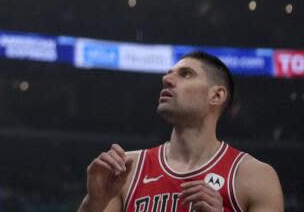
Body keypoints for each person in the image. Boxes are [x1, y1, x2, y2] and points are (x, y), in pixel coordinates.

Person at [78, 51, 284, 212]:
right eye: (168, 74)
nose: (166, 80)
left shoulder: (255, 176)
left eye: (186, 74)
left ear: (217, 95)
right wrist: (94, 202)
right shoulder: (127, 169)